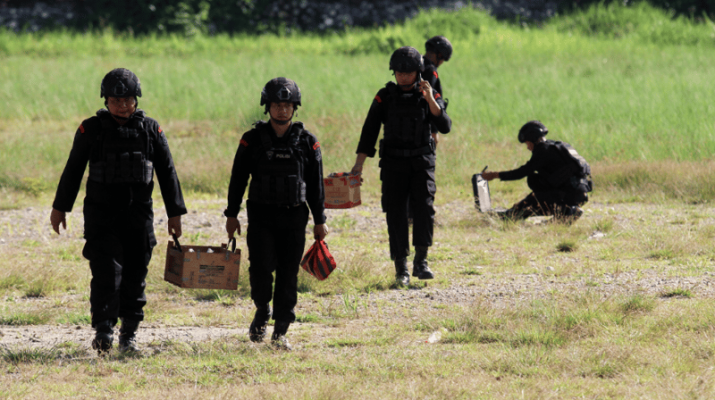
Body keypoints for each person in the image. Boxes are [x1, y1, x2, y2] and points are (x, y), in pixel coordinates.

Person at [50, 68, 187, 354]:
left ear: (136, 100)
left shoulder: (151, 129)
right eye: (116, 100)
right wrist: (60, 208)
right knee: (106, 273)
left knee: (136, 274)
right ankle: (103, 329)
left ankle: (129, 333)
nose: (123, 105)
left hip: (139, 215)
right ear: (106, 100)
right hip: (101, 215)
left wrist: (175, 213)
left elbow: (167, 172)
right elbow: (73, 169)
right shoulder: (91, 129)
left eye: (128, 100)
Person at [224, 77, 328, 351]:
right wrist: (231, 214)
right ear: (267, 106)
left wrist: (320, 221)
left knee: (287, 274)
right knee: (260, 269)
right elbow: (238, 180)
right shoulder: (251, 140)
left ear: (295, 108)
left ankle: (281, 330)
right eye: (277, 105)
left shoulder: (308, 142)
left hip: (294, 218)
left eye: (287, 105)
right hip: (260, 217)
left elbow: (316, 184)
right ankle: (262, 309)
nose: (282, 110)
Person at [351, 46, 451, 287]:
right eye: (399, 73)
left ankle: (421, 262)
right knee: (395, 214)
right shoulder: (385, 96)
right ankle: (401, 268)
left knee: (424, 209)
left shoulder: (428, 92)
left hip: (422, 163)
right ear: (393, 73)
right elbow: (370, 130)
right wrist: (358, 165)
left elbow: (445, 124)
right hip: (394, 164)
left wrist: (429, 99)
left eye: (408, 73)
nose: (404, 77)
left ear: (418, 72)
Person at [481, 120, 591, 221]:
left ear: (533, 140)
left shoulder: (543, 151)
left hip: (568, 195)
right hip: (579, 194)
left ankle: (568, 211)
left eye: (527, 143)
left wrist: (495, 175)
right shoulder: (557, 146)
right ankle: (564, 213)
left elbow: (522, 172)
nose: (528, 147)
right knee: (536, 182)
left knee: (522, 208)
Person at [422, 35, 453, 148]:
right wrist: (434, 130)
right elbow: (429, 98)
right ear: (440, 55)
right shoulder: (431, 70)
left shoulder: (414, 64)